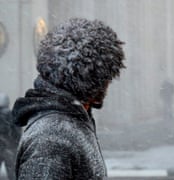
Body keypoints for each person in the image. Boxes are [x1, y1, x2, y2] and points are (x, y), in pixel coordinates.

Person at [12, 18, 125, 179]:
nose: (109, 83)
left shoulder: (67, 125)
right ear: (90, 80)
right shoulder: (52, 138)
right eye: (107, 76)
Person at [0, 93, 21, 180]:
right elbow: (17, 132)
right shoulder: (12, 114)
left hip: (2, 146)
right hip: (10, 148)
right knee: (12, 172)